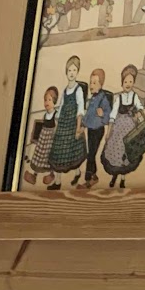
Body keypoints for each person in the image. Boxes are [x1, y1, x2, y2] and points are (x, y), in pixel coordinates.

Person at [102, 64, 145, 188]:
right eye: (126, 81)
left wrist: (141, 117)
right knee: (115, 151)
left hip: (130, 127)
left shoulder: (134, 96)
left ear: (134, 83)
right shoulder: (119, 98)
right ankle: (114, 175)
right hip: (118, 127)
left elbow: (140, 108)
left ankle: (123, 178)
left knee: (127, 153)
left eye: (130, 81)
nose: (128, 84)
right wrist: (109, 131)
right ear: (122, 83)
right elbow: (113, 115)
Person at [46, 55, 88, 189]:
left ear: (78, 72)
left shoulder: (78, 89)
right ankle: (58, 182)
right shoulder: (65, 90)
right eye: (69, 70)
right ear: (66, 72)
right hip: (63, 123)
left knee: (74, 152)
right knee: (59, 152)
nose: (72, 73)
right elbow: (61, 107)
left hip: (73, 124)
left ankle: (77, 172)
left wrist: (78, 128)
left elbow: (80, 109)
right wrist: (56, 123)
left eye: (74, 70)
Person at [75, 67, 113, 188]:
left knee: (91, 154)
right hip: (90, 130)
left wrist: (103, 115)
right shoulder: (92, 99)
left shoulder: (103, 98)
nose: (91, 85)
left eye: (94, 83)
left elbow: (109, 115)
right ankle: (94, 176)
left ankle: (87, 180)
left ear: (101, 85)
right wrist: (83, 126)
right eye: (91, 82)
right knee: (91, 154)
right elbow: (88, 115)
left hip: (98, 130)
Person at [25, 85, 59, 185]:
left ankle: (51, 175)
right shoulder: (45, 115)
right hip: (43, 138)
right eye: (45, 100)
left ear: (54, 101)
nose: (46, 102)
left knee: (48, 158)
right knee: (39, 156)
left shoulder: (55, 114)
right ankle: (34, 175)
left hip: (50, 139)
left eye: (49, 100)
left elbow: (57, 127)